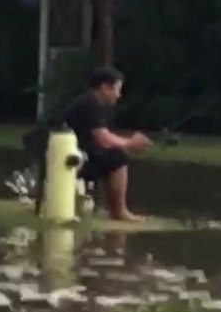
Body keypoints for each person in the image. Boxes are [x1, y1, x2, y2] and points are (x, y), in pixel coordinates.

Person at [56, 66, 152, 222]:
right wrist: (129, 143)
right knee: (118, 158)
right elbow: (102, 138)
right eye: (117, 89)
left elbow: (100, 138)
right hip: (68, 158)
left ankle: (115, 210)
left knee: (112, 155)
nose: (119, 95)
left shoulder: (89, 102)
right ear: (105, 87)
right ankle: (120, 211)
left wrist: (126, 144)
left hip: (65, 154)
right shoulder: (90, 104)